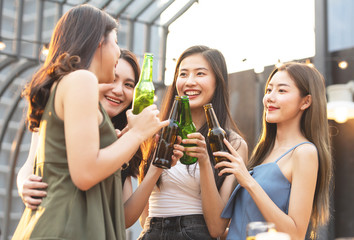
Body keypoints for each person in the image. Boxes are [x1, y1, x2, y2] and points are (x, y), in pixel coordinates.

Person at [12, 5, 168, 239]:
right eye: (115, 41)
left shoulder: (68, 84)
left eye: (128, 84)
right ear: (98, 43)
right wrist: (137, 134)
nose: (117, 52)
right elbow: (85, 174)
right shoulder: (82, 79)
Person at [138, 45, 248, 240]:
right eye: (183, 74)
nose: (189, 82)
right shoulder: (154, 133)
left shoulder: (233, 143)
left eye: (200, 74)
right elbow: (143, 215)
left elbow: (217, 228)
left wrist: (205, 161)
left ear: (217, 82)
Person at [212, 62, 332, 240]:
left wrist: (248, 182)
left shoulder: (304, 152)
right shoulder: (263, 152)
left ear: (306, 101)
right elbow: (242, 226)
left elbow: (296, 234)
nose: (270, 97)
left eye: (281, 91)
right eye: (269, 90)